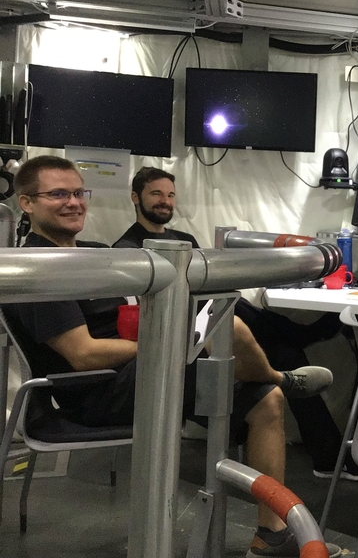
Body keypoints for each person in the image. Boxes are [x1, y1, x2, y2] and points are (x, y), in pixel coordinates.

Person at [3, 156, 340, 557]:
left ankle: (272, 535)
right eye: (58, 194)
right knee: (227, 329)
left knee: (267, 399)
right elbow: (84, 355)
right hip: (98, 393)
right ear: (26, 203)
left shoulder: (92, 253)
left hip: (141, 372)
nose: (73, 202)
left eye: (78, 192)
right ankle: (284, 376)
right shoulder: (43, 268)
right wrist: (175, 344)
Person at [114, 166, 358, 481]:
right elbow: (145, 312)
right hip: (182, 335)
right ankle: (306, 335)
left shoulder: (185, 239)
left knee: (283, 351)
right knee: (235, 309)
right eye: (156, 194)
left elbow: (207, 285)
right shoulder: (126, 249)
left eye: (170, 195)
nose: (165, 201)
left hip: (207, 320)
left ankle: (328, 455)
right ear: (136, 198)